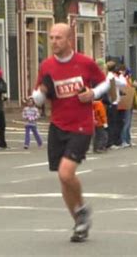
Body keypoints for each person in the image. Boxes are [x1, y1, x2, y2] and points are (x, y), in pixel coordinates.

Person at [31, 23, 108, 242]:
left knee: (66, 173)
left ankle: (81, 208)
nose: (54, 42)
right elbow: (39, 96)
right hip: (58, 125)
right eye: (51, 37)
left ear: (69, 40)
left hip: (81, 125)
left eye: (58, 38)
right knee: (63, 179)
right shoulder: (46, 66)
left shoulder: (84, 63)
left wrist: (92, 93)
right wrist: (39, 94)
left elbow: (105, 84)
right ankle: (79, 222)